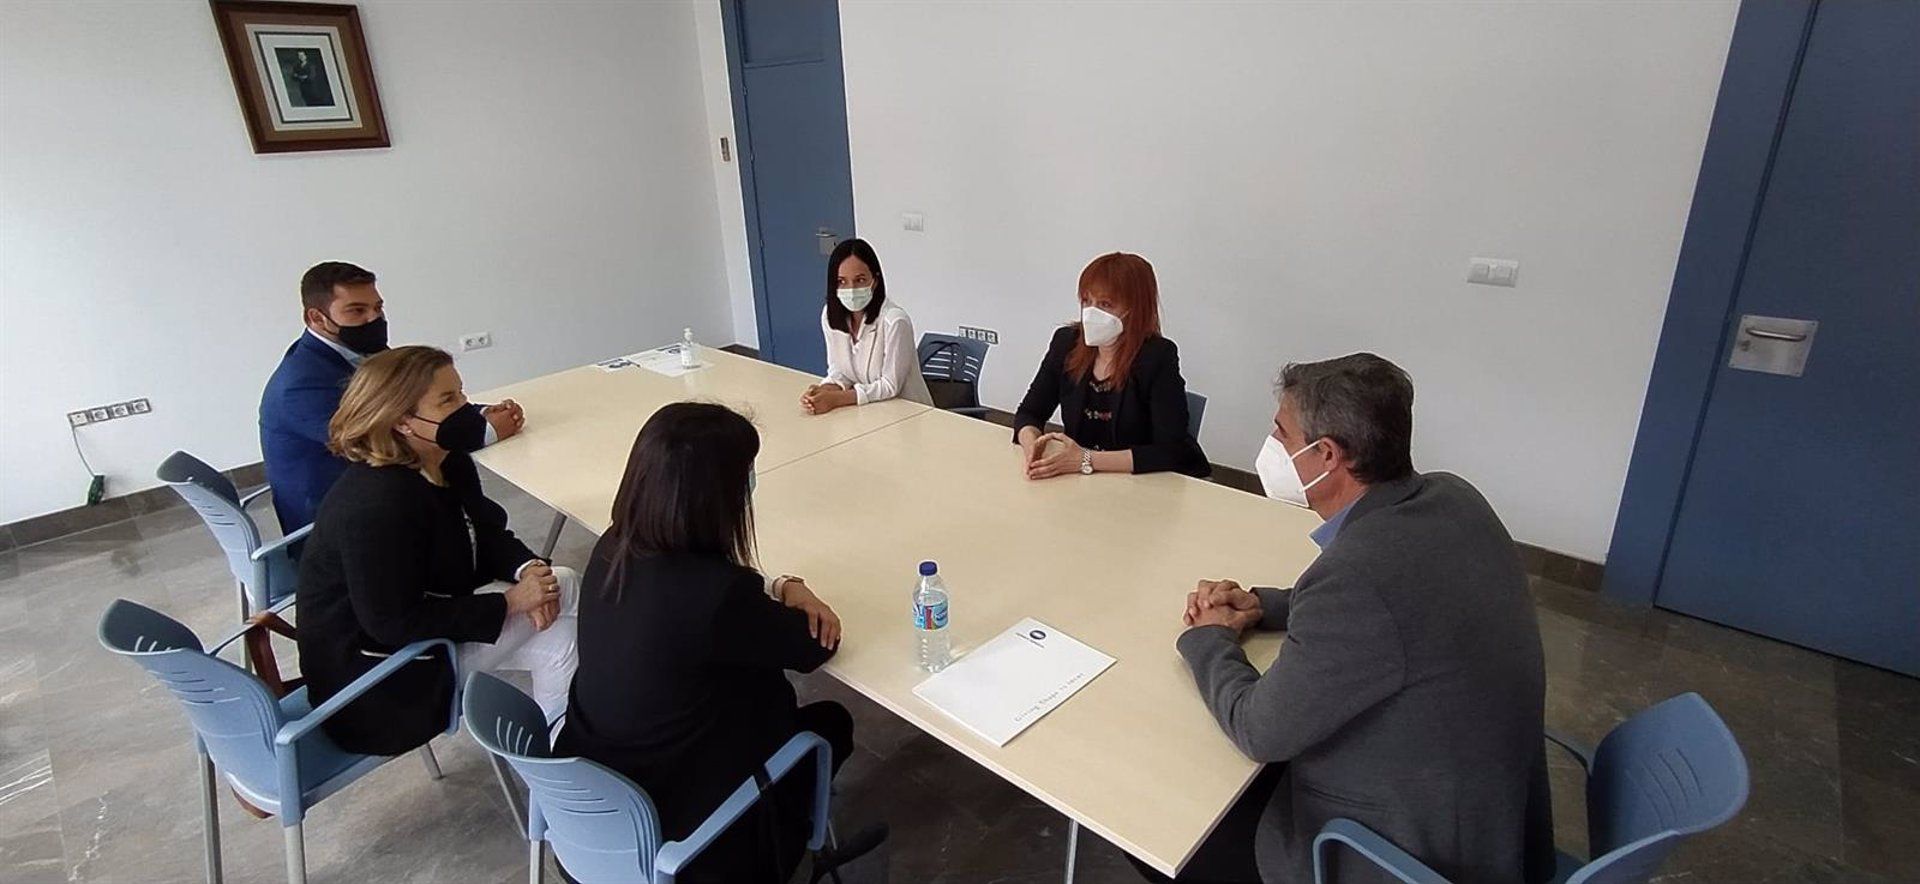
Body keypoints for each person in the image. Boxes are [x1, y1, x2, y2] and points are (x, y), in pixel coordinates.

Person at [1161, 354, 1550, 884]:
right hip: (1489, 816)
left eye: (1281, 433)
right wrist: (1262, 605)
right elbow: (1398, 607)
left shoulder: (1356, 577)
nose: (1271, 445)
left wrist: (1208, 639)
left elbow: (1260, 729)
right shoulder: (1454, 497)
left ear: (1326, 455)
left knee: (1169, 831)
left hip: (1406, 853)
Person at [558, 402, 855, 883]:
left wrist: (769, 591)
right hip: (691, 832)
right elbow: (815, 646)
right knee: (831, 722)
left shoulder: (614, 545)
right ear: (716, 496)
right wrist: (793, 588)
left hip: (598, 809)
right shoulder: (716, 595)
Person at [294, 346, 578, 757]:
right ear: (402, 422)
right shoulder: (375, 504)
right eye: (448, 400)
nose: (466, 408)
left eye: (461, 393)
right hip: (377, 688)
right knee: (566, 586)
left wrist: (529, 568)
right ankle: (568, 755)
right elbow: (391, 622)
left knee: (560, 633)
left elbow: (487, 531)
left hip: (417, 647)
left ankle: (557, 757)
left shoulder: (448, 462)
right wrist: (512, 603)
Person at [260, 261, 525, 534]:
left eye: (378, 307)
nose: (373, 319)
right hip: (341, 521)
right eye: (357, 311)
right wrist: (485, 432)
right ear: (316, 318)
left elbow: (414, 400)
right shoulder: (300, 385)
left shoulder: (361, 350)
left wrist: (479, 413)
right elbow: (373, 443)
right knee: (457, 474)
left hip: (383, 492)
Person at [1012, 252, 1209, 479]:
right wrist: (1031, 448)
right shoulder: (1066, 342)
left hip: (1146, 482)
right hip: (1086, 480)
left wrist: (1085, 459)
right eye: (1087, 301)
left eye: (1105, 304)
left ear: (1134, 309)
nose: (1091, 313)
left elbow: (1170, 451)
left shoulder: (1158, 356)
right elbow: (1029, 413)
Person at [801, 238, 933, 414]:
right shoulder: (830, 316)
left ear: (875, 281)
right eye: (842, 281)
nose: (851, 289)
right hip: (868, 412)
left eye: (860, 280)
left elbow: (890, 386)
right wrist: (825, 390)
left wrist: (836, 400)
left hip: (909, 414)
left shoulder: (895, 322)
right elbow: (840, 371)